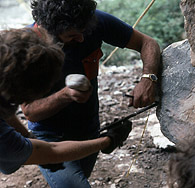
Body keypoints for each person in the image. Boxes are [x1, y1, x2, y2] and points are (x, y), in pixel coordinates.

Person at [21, 0, 161, 187]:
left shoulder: (94, 22)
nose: (81, 39)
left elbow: (147, 43)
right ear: (50, 30)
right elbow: (30, 111)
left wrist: (147, 79)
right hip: (49, 137)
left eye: (84, 31)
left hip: (88, 127)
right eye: (72, 35)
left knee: (80, 178)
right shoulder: (28, 49)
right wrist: (66, 95)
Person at [0, 27, 132, 175]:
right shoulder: (5, 142)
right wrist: (109, 140)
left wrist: (28, 137)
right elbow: (52, 152)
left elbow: (4, 111)